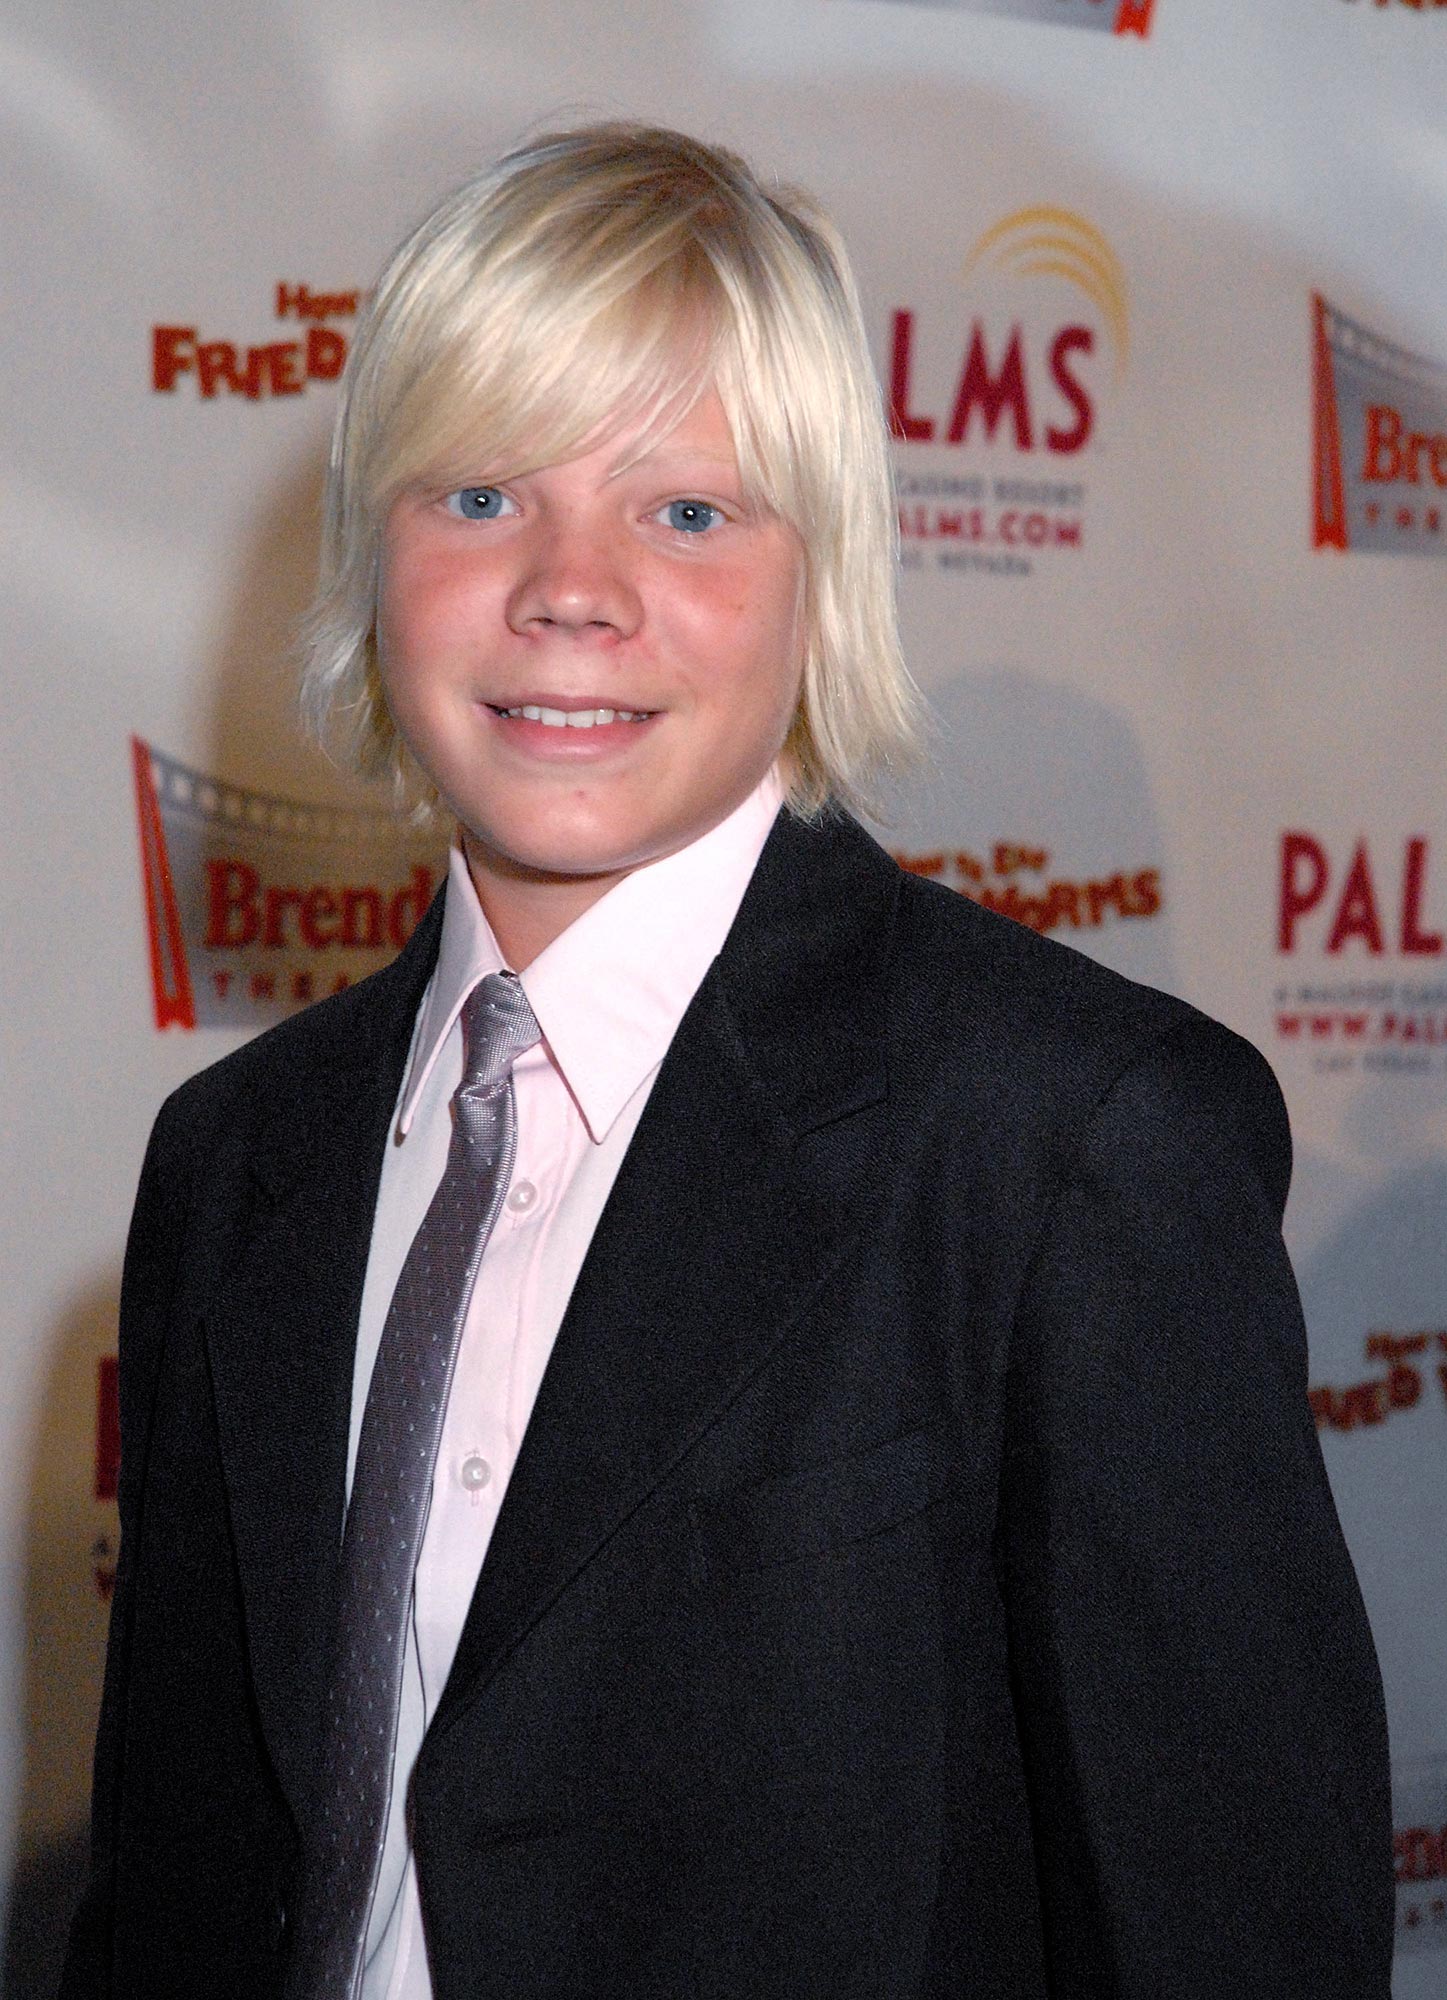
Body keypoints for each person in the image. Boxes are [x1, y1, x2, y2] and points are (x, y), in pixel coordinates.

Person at [63, 123, 1392, 2000]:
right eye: (480, 495)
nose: (569, 587)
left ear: (822, 579)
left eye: (685, 513)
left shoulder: (1073, 1143)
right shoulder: (236, 1154)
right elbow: (175, 1888)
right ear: (374, 559)